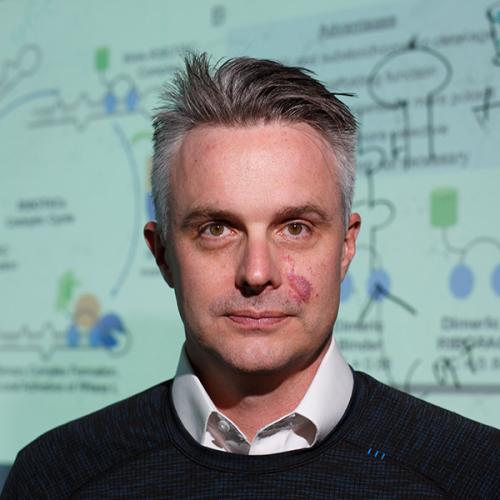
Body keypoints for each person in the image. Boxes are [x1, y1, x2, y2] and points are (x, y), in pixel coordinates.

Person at [2, 53, 499, 499]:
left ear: (346, 247)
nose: (257, 273)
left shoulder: (476, 475)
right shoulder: (57, 478)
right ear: (162, 253)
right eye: (216, 229)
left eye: (295, 228)